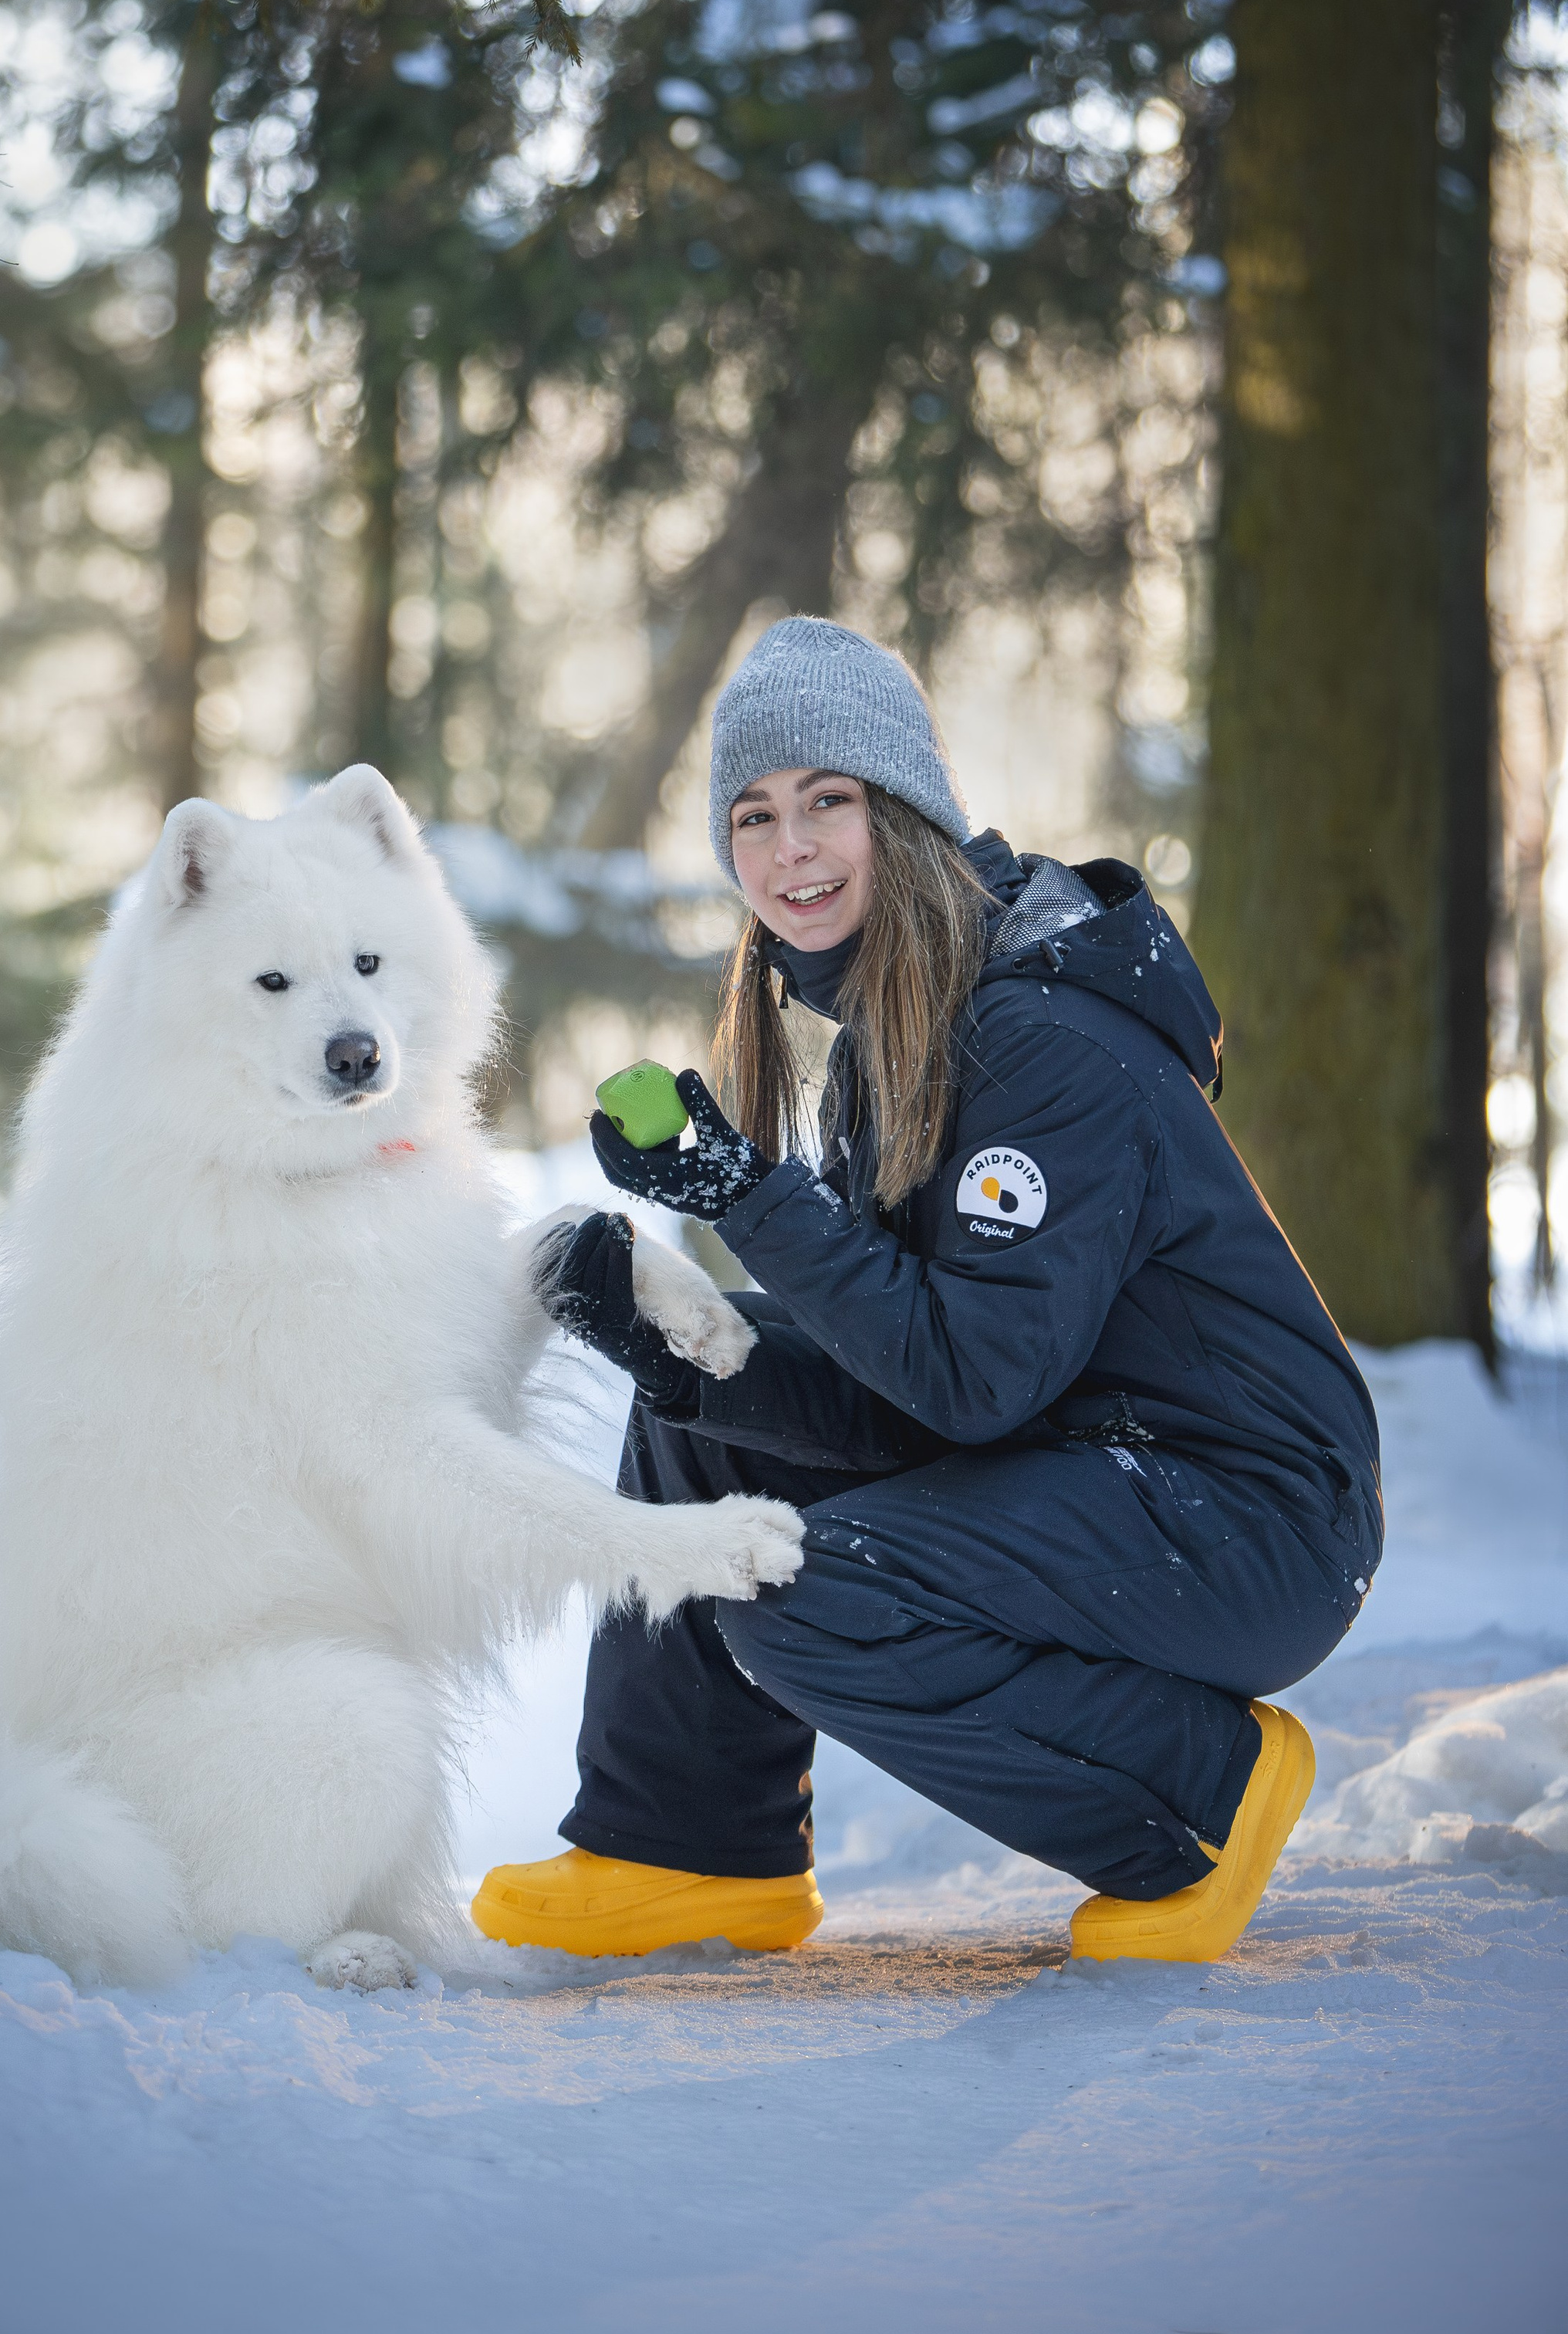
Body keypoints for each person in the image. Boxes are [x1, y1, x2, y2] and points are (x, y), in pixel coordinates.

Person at [473, 616, 1382, 1966]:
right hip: (1080, 1460)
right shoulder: (890, 1047)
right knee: (703, 1419)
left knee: (788, 1589)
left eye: (828, 802)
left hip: (1241, 1505)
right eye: (755, 816)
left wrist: (742, 1193)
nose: (790, 850)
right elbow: (910, 1392)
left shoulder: (1036, 1043)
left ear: (904, 813)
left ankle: (1201, 1793)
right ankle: (688, 1850)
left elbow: (975, 1382)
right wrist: (680, 1348)